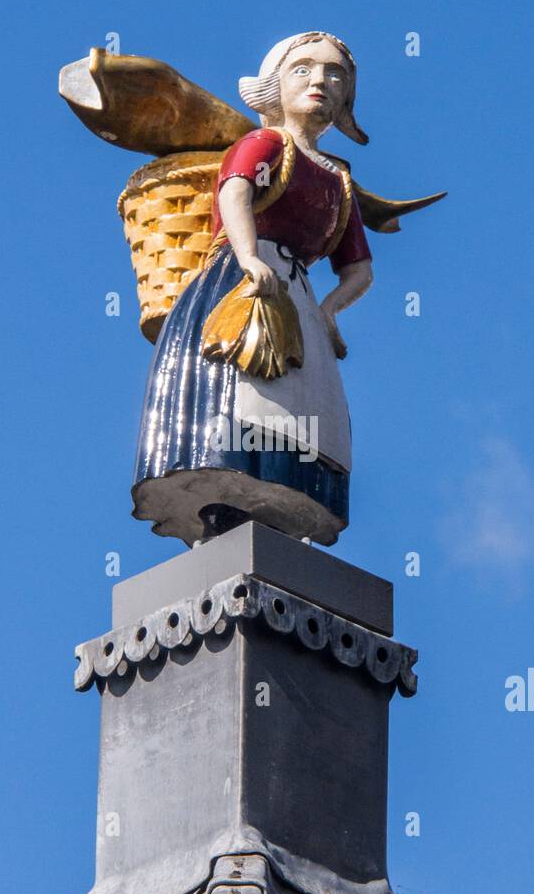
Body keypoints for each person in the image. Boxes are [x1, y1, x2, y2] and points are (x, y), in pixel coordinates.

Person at [131, 32, 375, 547]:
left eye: (335, 75)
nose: (320, 82)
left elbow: (359, 269)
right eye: (303, 69)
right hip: (241, 287)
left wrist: (330, 310)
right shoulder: (265, 144)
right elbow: (236, 191)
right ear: (274, 86)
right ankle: (225, 498)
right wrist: (247, 258)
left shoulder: (338, 179)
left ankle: (281, 503)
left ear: (347, 100)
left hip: (298, 299)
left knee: (302, 401)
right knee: (242, 394)